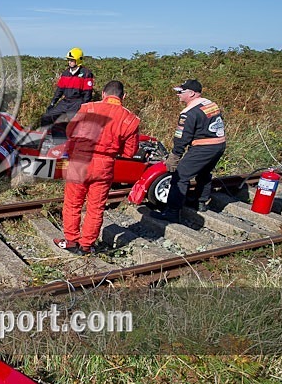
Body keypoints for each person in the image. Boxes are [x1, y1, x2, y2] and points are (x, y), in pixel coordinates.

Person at [55, 80, 140, 255]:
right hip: (104, 165)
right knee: (96, 207)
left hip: (80, 160)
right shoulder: (130, 119)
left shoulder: (87, 108)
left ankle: (71, 240)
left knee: (72, 203)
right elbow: (130, 152)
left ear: (103, 94)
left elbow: (70, 133)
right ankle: (87, 245)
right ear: (123, 97)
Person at [152, 79, 226, 223]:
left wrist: (175, 155)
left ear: (191, 93)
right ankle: (200, 202)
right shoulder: (210, 104)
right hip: (219, 145)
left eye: (181, 92)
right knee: (204, 173)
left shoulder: (188, 113)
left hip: (204, 147)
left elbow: (182, 137)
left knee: (180, 177)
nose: (178, 94)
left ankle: (172, 212)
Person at [40, 47, 94, 137]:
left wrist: (83, 108)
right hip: (65, 101)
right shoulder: (65, 73)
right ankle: (43, 138)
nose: (70, 62)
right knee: (47, 117)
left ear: (78, 60)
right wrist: (52, 103)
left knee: (69, 122)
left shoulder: (86, 74)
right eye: (69, 60)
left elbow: (87, 94)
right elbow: (59, 90)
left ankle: (66, 142)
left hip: (77, 102)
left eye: (72, 60)